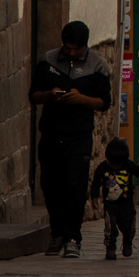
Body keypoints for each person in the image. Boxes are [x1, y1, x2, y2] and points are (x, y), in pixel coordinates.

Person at [29, 21, 112, 259]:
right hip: (52, 134)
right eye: (68, 48)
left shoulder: (98, 65)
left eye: (76, 49)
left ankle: (73, 237)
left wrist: (80, 99)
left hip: (79, 135)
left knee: (74, 187)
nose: (72, 53)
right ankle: (57, 233)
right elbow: (33, 96)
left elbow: (104, 103)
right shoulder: (48, 61)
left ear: (84, 45)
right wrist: (49, 95)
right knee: (51, 185)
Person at [90, 137, 139, 260]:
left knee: (129, 227)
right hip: (110, 205)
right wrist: (94, 197)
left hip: (127, 204)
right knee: (109, 227)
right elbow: (95, 183)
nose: (115, 167)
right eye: (113, 164)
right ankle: (110, 247)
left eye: (118, 164)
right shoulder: (102, 168)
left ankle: (127, 241)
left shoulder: (128, 165)